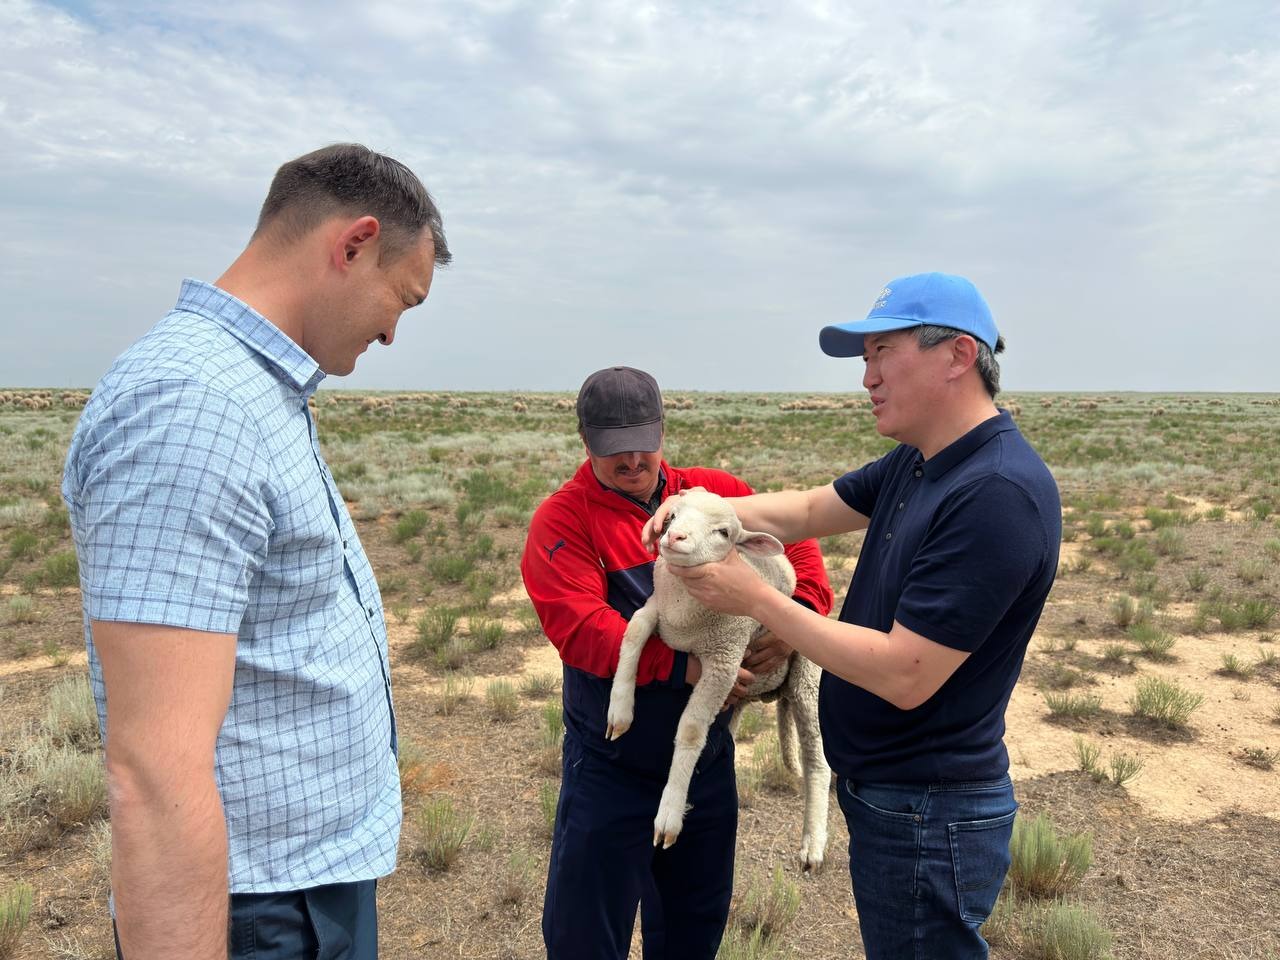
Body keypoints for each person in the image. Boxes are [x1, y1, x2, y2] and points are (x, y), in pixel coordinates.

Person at [62, 144, 451, 960]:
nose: (390, 332)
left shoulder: (250, 392)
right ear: (351, 245)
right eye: (401, 300)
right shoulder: (191, 405)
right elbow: (154, 775)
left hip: (301, 887)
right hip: (256, 912)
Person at [645, 273, 1061, 960]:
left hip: (929, 808)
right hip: (895, 796)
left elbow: (905, 675)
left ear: (957, 357)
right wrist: (703, 508)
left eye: (880, 354)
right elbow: (810, 510)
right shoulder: (922, 461)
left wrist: (754, 599)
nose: (865, 377)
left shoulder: (995, 493)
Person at [521, 366, 834, 960]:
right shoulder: (563, 521)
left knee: (694, 926)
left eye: (644, 441)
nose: (633, 460)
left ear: (663, 430)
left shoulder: (711, 493)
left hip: (705, 762)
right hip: (612, 766)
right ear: (585, 442)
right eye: (615, 448)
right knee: (585, 936)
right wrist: (686, 669)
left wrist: (796, 624)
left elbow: (797, 546)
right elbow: (580, 627)